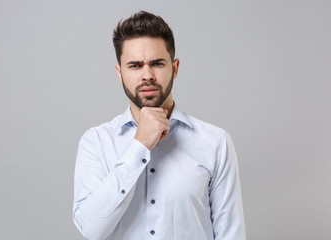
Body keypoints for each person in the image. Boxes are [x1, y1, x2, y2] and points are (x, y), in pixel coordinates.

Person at [72, 11, 246, 240]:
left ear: (174, 68)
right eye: (135, 66)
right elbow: (92, 230)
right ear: (120, 73)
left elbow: (230, 234)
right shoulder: (96, 142)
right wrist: (140, 144)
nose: (147, 75)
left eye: (157, 63)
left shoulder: (215, 142)